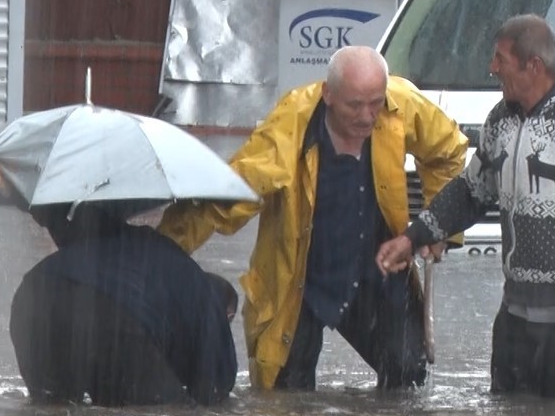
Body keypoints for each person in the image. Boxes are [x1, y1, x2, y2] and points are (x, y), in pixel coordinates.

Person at [157, 46, 469, 392]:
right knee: (286, 402)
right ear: (328, 94)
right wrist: (161, 251)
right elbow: (227, 197)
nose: (367, 116)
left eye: (375, 104)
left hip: (377, 273)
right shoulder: (290, 126)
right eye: (354, 105)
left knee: (410, 382)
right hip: (302, 282)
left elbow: (449, 152)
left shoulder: (401, 103)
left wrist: (436, 227)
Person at [375, 14, 555, 399]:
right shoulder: (500, 121)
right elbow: (471, 192)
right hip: (514, 321)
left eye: (500, 59)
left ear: (532, 66)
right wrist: (416, 235)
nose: (492, 68)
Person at [0, 161, 238, 406]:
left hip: (35, 297)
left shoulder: (132, 247)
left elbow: (68, 214)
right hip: (113, 321)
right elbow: (216, 387)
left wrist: (13, 185)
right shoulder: (206, 304)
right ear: (227, 312)